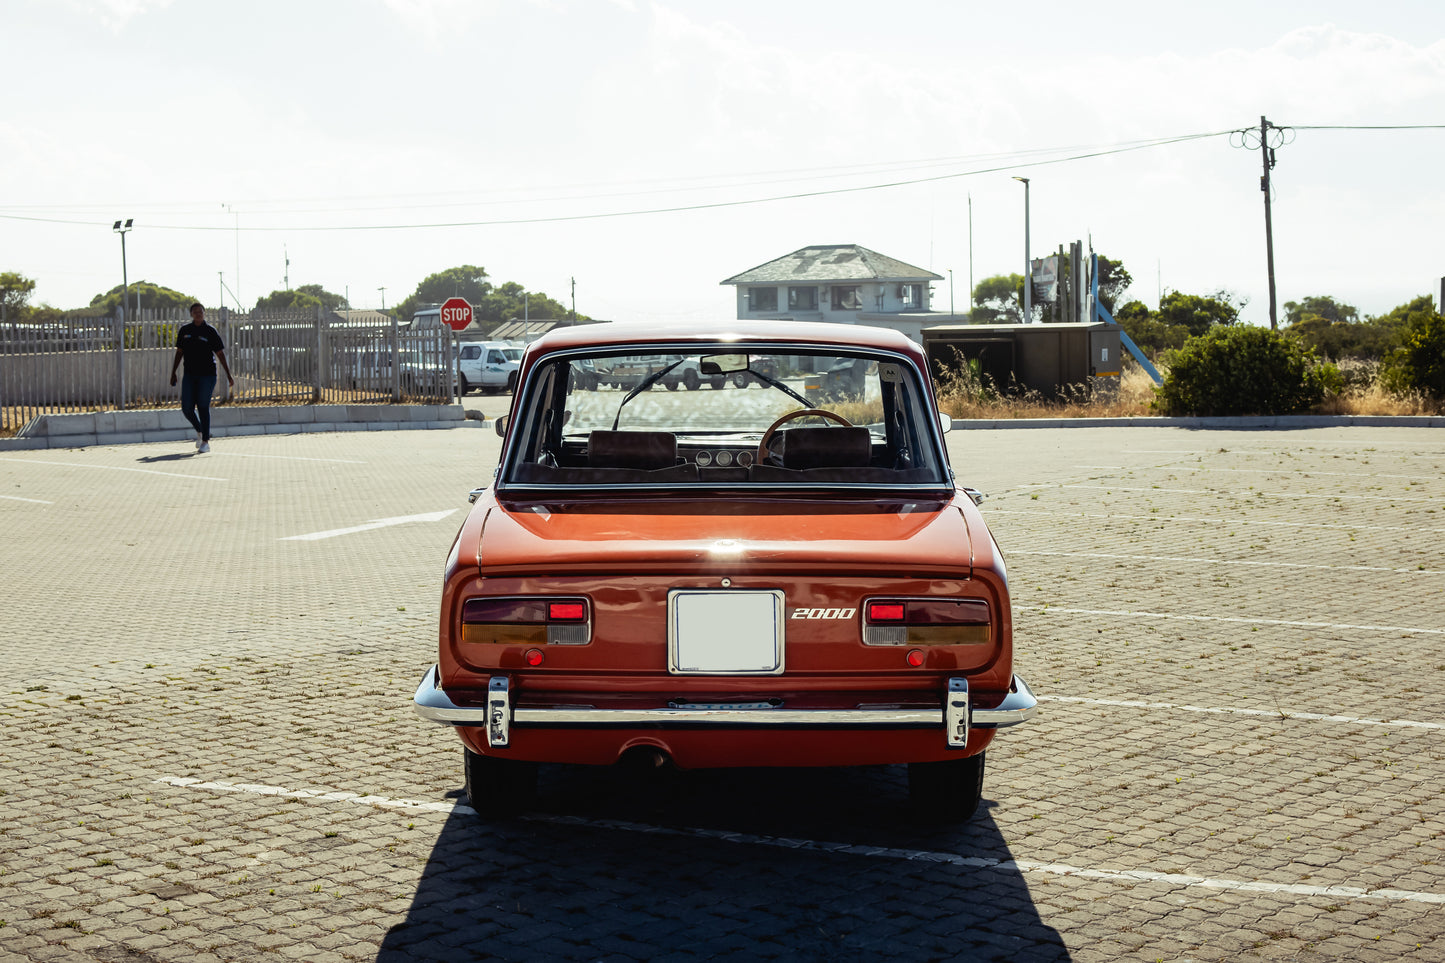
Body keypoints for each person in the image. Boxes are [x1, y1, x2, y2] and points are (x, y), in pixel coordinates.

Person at [170, 303, 234, 453]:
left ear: (204, 313)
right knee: (186, 408)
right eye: (195, 312)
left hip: (208, 375)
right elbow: (179, 352)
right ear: (191, 314)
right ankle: (200, 430)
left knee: (203, 405)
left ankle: (205, 441)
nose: (198, 314)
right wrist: (173, 372)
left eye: (201, 312)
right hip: (190, 374)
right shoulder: (185, 331)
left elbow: (220, 354)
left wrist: (228, 374)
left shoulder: (210, 331)